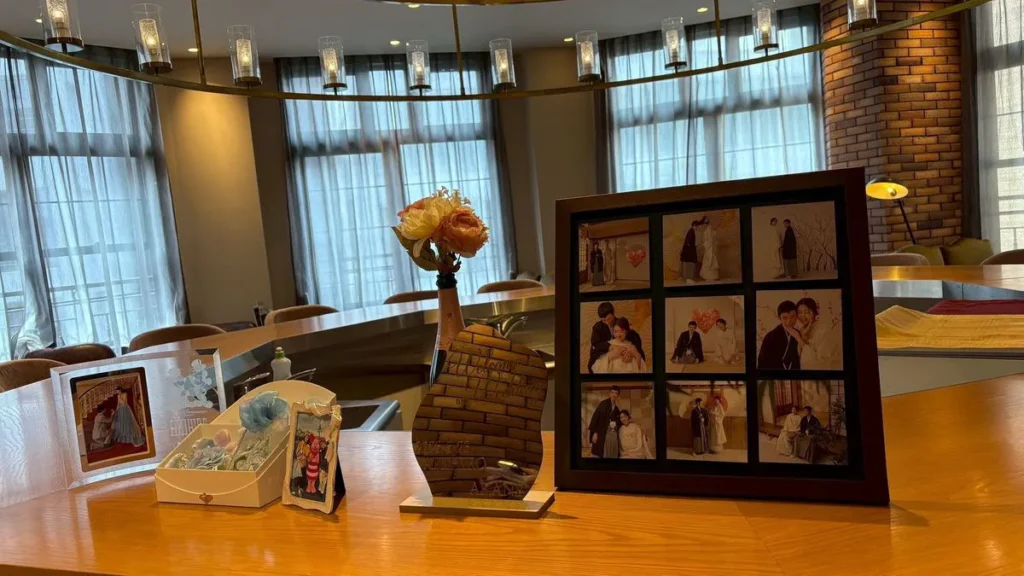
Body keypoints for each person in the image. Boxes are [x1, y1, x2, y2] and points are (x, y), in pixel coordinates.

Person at [790, 297, 842, 370]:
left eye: (807, 312)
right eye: (799, 312)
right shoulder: (802, 329)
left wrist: (800, 339)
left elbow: (819, 360)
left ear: (814, 312)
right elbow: (798, 357)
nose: (802, 316)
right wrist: (803, 335)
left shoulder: (823, 329)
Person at [757, 301, 801, 370]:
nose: (789, 321)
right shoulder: (770, 337)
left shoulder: (798, 334)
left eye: (792, 316)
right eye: (785, 318)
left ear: (796, 316)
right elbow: (763, 363)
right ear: (779, 318)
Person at [587, 386, 621, 458]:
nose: (614, 395)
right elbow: (596, 417)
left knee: (607, 453)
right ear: (609, 393)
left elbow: (618, 419)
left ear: (618, 395)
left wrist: (616, 422)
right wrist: (595, 433)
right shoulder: (603, 403)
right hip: (600, 432)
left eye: (616, 393)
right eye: (612, 392)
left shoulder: (616, 408)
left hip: (609, 434)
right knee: (598, 453)